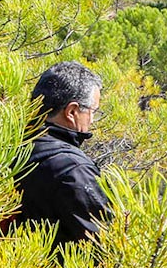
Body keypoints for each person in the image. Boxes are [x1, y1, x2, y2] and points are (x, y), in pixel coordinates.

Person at [14, 60, 109, 247]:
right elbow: (107, 244)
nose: (92, 120)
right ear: (72, 111)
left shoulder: (2, 149)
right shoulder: (74, 171)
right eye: (93, 111)